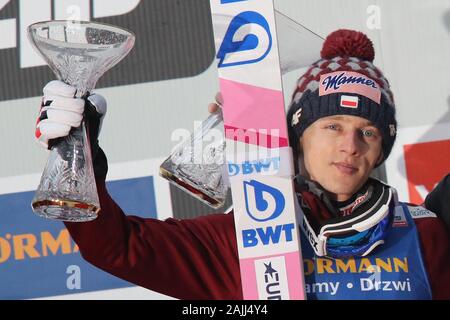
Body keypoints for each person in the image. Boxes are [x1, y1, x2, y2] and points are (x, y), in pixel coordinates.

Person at [34, 29, 450, 299]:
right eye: (332, 126)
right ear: (298, 136)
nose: (350, 145)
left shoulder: (426, 232)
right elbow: (117, 247)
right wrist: (77, 147)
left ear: (381, 150)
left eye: (368, 132)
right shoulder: (249, 234)